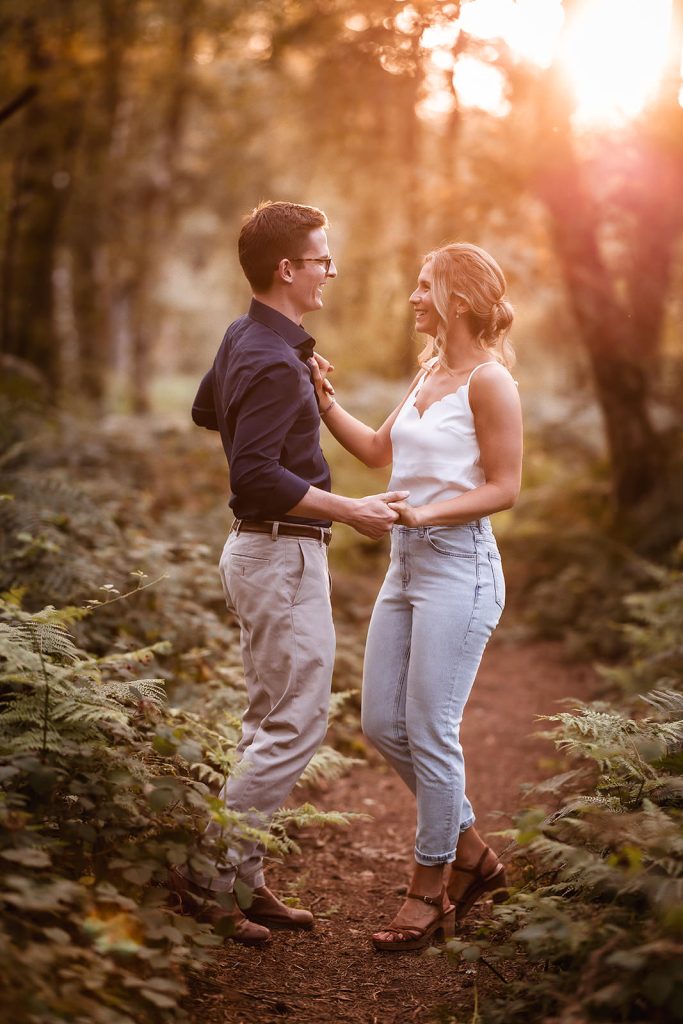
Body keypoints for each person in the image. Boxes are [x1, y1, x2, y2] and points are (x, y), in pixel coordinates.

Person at [178, 200, 407, 946]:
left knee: (266, 719)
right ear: (288, 268)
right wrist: (353, 509)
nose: (330, 270)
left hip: (263, 552)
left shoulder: (249, 338)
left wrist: (296, 388)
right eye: (321, 259)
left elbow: (207, 410)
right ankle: (210, 881)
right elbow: (253, 476)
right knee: (297, 721)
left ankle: (240, 878)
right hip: (279, 550)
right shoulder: (270, 355)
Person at [310, 242, 523, 951]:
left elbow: (504, 487)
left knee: (430, 730)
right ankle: (472, 852)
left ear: (455, 301)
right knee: (379, 722)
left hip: (459, 569)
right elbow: (376, 451)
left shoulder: (489, 382)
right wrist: (324, 402)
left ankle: (427, 889)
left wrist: (419, 515)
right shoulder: (428, 372)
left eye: (422, 286)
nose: (411, 298)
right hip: (403, 568)